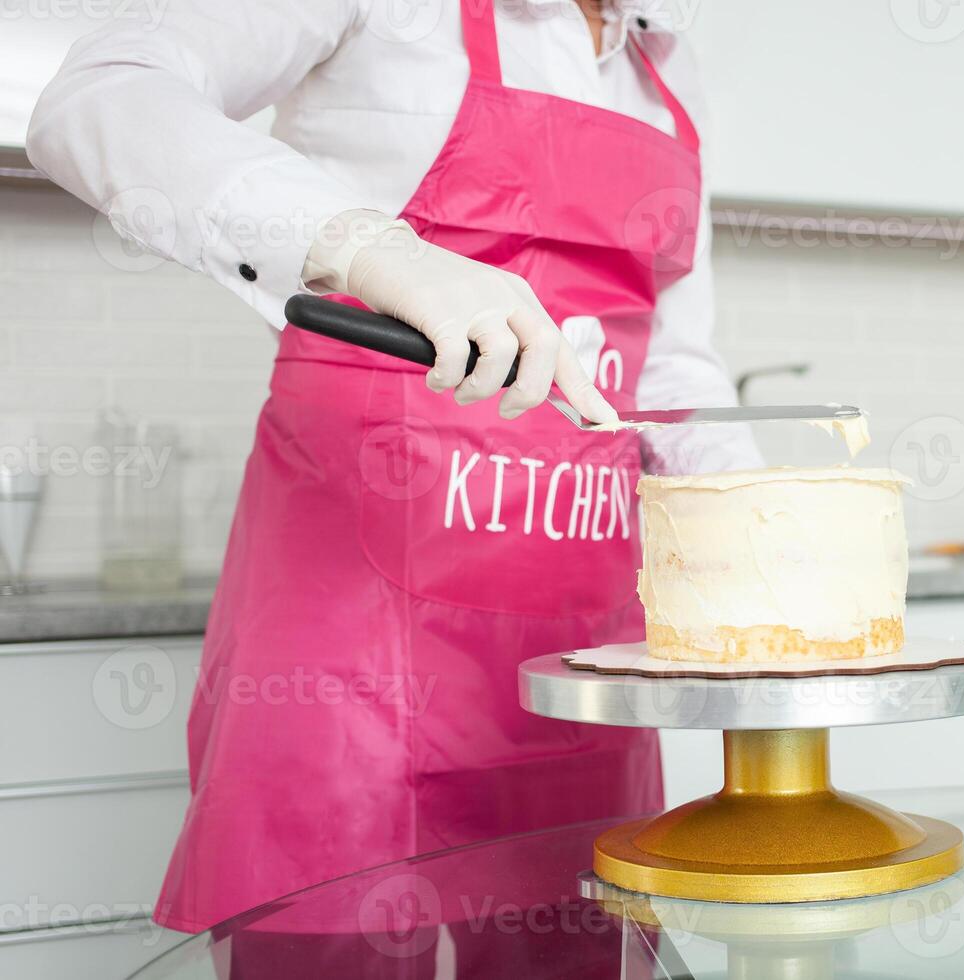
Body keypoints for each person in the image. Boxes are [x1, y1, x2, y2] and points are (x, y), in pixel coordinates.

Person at [28, 0, 760, 936]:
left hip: (580, 660)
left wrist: (762, 522)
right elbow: (103, 94)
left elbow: (670, 362)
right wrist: (373, 249)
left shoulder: (664, 61)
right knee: (330, 941)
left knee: (577, 945)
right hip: (355, 649)